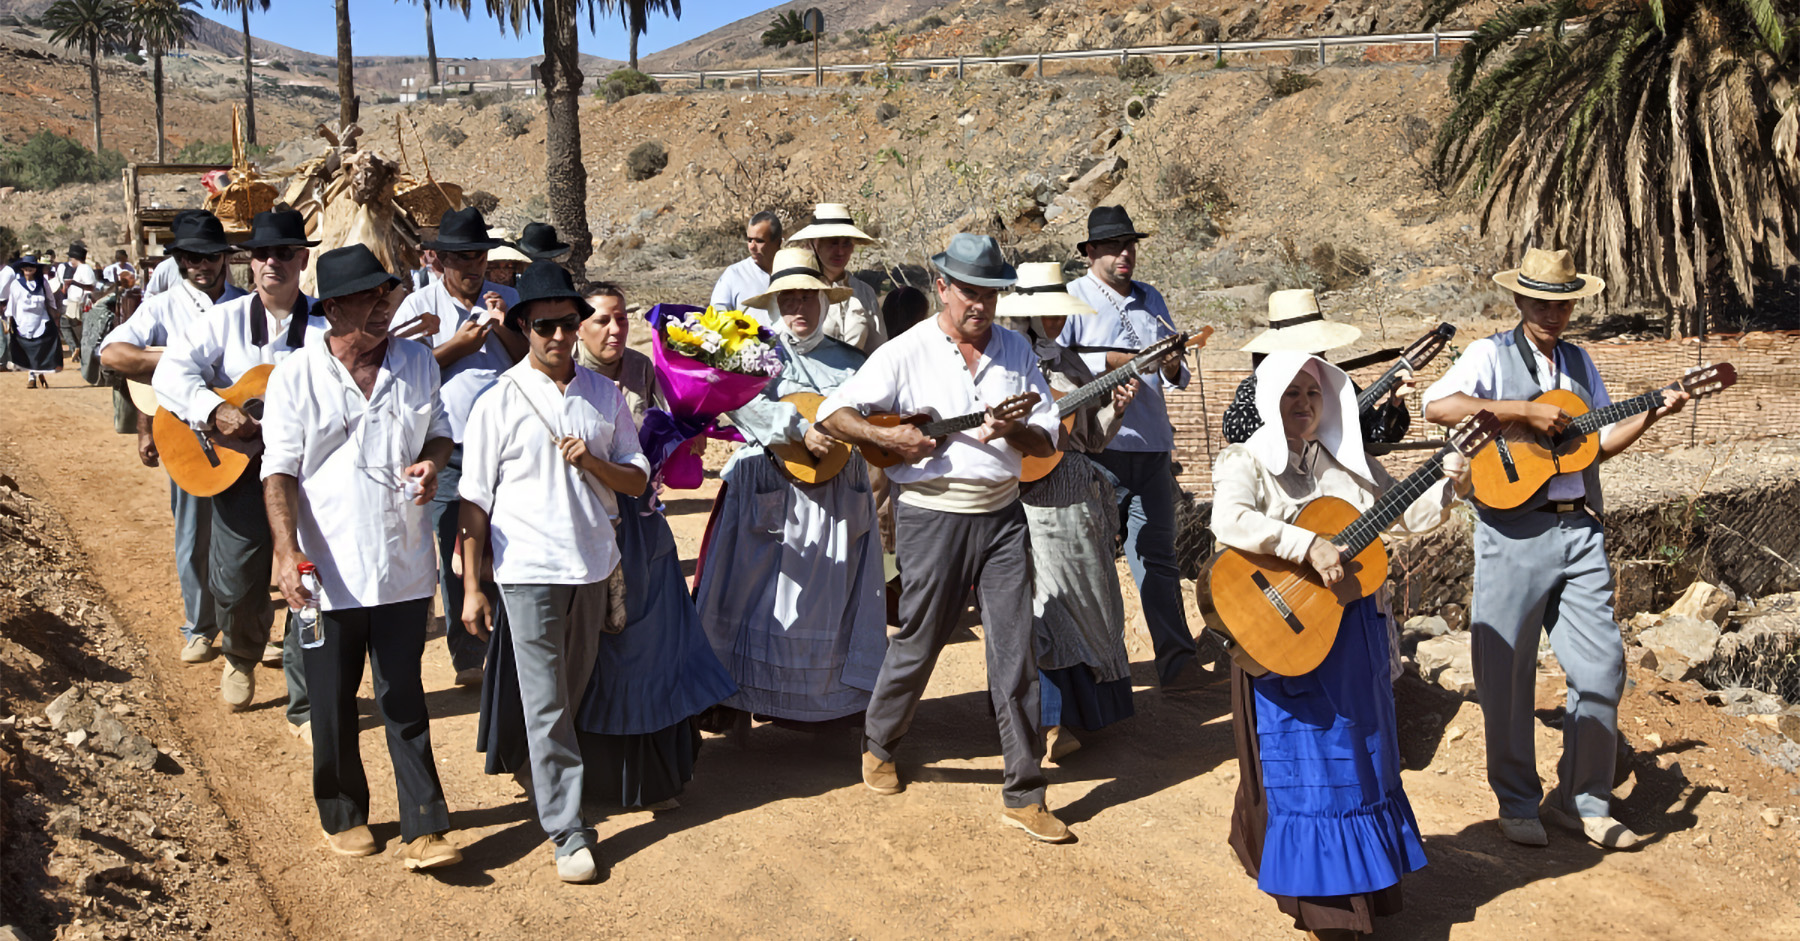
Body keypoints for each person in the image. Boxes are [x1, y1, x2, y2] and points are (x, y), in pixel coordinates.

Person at [1422, 247, 1688, 851]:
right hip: (1511, 531)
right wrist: (1522, 412)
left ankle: (1583, 802)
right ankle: (1517, 802)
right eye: (1541, 301)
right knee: (1507, 677)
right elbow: (1437, 406)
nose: (1552, 313)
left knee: (1602, 668)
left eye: (1562, 302)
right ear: (1519, 299)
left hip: (1580, 530)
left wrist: (1651, 413)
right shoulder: (1488, 354)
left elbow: (1594, 443)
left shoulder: (1579, 361)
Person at [817, 233, 1069, 843]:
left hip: (1005, 514)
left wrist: (1015, 433)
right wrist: (897, 441)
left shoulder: (1018, 353)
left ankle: (1024, 790)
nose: (979, 305)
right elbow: (833, 414)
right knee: (921, 639)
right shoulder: (905, 352)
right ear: (942, 288)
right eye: (969, 292)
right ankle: (879, 741)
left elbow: (1046, 443)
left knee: (1015, 652)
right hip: (933, 514)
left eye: (990, 294)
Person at [1213, 351, 1469, 938]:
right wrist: (1306, 546)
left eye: (1312, 394)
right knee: (1308, 763)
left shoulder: (1345, 464)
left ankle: (1364, 886)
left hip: (1350, 631)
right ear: (1267, 397)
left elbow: (1406, 513)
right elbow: (1230, 521)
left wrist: (1455, 483)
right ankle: (1328, 908)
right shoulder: (1244, 460)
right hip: (1283, 629)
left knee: (1362, 753)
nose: (1302, 405)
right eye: (1290, 393)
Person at [480, 279, 735, 813]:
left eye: (621, 318)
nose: (613, 329)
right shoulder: (552, 383)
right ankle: (575, 780)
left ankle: (654, 778)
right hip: (575, 538)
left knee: (656, 652)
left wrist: (687, 438)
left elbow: (657, 453)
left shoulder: (645, 369)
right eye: (598, 320)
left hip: (642, 529)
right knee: (590, 664)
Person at [260, 244, 462, 870]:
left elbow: (440, 430)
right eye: (370, 298)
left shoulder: (416, 363)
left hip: (400, 562)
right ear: (335, 307)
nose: (384, 307)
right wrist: (287, 548)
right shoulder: (296, 375)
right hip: (325, 571)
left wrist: (433, 460)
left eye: (389, 296)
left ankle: (425, 825)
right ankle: (342, 811)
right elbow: (279, 471)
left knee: (403, 693)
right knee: (332, 697)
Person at [457, 261, 651, 884]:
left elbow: (636, 476)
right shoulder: (498, 401)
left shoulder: (603, 396)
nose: (560, 337)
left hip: (593, 565)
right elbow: (474, 501)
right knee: (546, 700)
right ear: (523, 326)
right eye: (546, 326)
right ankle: (568, 830)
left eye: (570, 324)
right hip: (527, 569)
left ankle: (533, 770)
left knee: (570, 688)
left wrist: (595, 463)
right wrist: (470, 585)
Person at [694, 248, 889, 728]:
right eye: (789, 298)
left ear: (825, 301)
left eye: (808, 297)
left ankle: (819, 706)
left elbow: (871, 417)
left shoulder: (853, 363)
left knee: (824, 599)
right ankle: (730, 698)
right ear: (775, 303)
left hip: (833, 498)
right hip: (764, 487)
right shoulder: (752, 354)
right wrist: (795, 428)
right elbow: (737, 403)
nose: (799, 308)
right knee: (747, 592)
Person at [154, 209, 326, 711]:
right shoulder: (222, 321)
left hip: (310, 470)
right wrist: (215, 409)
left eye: (284, 252)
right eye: (262, 253)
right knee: (235, 577)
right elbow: (170, 374)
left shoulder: (327, 322)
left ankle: (306, 692)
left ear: (302, 257)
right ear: (249, 262)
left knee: (309, 576)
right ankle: (242, 655)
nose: (273, 262)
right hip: (240, 468)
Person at [998, 263, 1139, 762]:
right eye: (1047, 312)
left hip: (1077, 494)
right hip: (1029, 495)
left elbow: (1093, 439)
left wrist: (1116, 408)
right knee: (1043, 599)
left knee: (1091, 600)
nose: (1055, 320)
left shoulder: (1076, 367)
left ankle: (1089, 711)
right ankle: (1050, 720)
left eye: (1061, 312)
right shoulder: (1007, 363)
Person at [98, 211, 247, 668]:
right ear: (179, 260)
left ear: (225, 257)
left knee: (245, 538)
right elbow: (114, 352)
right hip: (190, 437)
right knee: (193, 536)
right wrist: (169, 362)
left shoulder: (246, 303)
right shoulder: (162, 307)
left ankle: (248, 627)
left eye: (210, 257)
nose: (201, 266)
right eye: (190, 257)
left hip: (246, 434)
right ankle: (200, 627)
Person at [1059, 206, 1198, 690]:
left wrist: (1173, 362)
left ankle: (1178, 664)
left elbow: (1174, 375)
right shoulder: (1073, 299)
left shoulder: (1151, 297)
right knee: (1094, 561)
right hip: (1100, 447)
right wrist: (1115, 361)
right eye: (1115, 246)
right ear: (1090, 252)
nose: (1125, 254)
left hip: (1153, 446)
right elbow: (1057, 363)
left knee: (1159, 556)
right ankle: (1100, 675)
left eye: (1131, 245)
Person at [390, 207, 527, 687]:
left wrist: (504, 323)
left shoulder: (510, 297)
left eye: (480, 256)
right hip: (451, 446)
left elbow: (537, 359)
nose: (473, 267)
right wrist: (457, 346)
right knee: (456, 541)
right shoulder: (416, 307)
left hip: (512, 445)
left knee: (509, 540)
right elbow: (402, 369)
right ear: (439, 259)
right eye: (462, 258)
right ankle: (469, 655)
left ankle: (511, 644)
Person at [1221, 289, 1412, 446]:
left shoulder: (1336, 383)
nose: (1322, 355)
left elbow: (1375, 434)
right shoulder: (1257, 386)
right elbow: (1235, 430)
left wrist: (1394, 403)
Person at [787, 203, 886, 353]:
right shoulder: (799, 291)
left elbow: (878, 349)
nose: (840, 251)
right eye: (832, 243)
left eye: (846, 244)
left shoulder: (864, 292)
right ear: (813, 244)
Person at [3, 255, 63, 387]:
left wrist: (55, 316)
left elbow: (50, 300)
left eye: (31, 266)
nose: (29, 269)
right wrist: (9, 321)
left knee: (41, 349)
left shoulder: (42, 282)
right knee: (28, 350)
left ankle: (35, 374)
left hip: (41, 321)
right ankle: (33, 375)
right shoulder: (16, 284)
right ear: (22, 268)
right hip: (22, 323)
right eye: (26, 267)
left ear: (36, 269)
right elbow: (12, 304)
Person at [709, 210, 781, 311]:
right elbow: (718, 314)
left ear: (778, 243)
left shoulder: (792, 272)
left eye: (759, 241)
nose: (752, 246)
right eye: (749, 240)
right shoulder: (734, 274)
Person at [56, 244, 98, 363]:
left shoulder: (85, 268)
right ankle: (76, 348)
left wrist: (73, 283)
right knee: (68, 324)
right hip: (74, 301)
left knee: (73, 326)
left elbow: (90, 286)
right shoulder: (81, 269)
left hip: (80, 302)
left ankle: (78, 348)